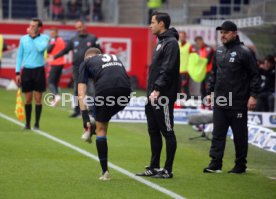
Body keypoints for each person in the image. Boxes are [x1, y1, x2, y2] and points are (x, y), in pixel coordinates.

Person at [204, 21, 261, 174]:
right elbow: (213, 74)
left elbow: (255, 75)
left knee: (239, 135)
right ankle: (215, 163)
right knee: (218, 134)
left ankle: (240, 165)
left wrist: (253, 96)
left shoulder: (245, 52)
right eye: (221, 32)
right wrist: (210, 93)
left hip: (238, 101)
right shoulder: (219, 51)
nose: (223, 35)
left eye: (226, 32)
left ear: (235, 33)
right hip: (220, 100)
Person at [136, 12, 180, 179]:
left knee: (167, 131)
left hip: (162, 95)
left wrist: (157, 90)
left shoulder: (171, 43)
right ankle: (154, 167)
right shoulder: (161, 42)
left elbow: (167, 69)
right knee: (153, 130)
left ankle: (168, 170)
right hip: (152, 94)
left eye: (153, 22)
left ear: (162, 24)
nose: (150, 25)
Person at [78, 47, 131, 181]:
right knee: (103, 118)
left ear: (87, 57)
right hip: (126, 92)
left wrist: (84, 118)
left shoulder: (86, 62)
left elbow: (81, 92)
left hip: (106, 91)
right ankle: (95, 121)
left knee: (101, 129)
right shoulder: (114, 58)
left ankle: (105, 172)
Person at [48, 20, 101, 117]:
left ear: (85, 26)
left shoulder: (93, 38)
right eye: (77, 27)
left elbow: (99, 51)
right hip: (77, 68)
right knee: (77, 89)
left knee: (91, 89)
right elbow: (65, 50)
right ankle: (77, 110)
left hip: (90, 67)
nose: (79, 29)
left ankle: (93, 111)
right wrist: (55, 57)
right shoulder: (73, 39)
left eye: (80, 26)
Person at [15, 18, 50, 130]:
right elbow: (19, 56)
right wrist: (17, 73)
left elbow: (40, 49)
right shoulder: (23, 39)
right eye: (30, 25)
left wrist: (33, 37)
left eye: (34, 26)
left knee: (38, 98)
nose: (31, 28)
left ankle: (36, 124)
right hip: (27, 71)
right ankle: (27, 124)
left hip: (39, 70)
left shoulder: (45, 38)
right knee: (28, 99)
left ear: (39, 27)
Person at [47, 28, 66, 106]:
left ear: (56, 33)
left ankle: (56, 95)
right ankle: (54, 100)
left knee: (50, 82)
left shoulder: (53, 40)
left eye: (52, 32)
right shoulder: (61, 40)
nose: (51, 34)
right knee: (55, 82)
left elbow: (49, 49)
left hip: (55, 63)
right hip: (61, 63)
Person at [194, 36, 214, 103]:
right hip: (203, 72)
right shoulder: (200, 50)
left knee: (207, 88)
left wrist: (198, 61)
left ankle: (209, 103)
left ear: (202, 40)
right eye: (197, 43)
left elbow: (207, 60)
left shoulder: (208, 48)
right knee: (202, 89)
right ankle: (204, 103)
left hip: (209, 72)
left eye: (199, 42)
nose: (198, 44)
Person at [179, 31, 196, 99]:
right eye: (180, 36)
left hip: (185, 71)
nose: (181, 38)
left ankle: (187, 102)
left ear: (185, 37)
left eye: (183, 36)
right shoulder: (177, 45)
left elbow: (194, 57)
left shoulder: (189, 46)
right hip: (177, 71)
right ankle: (179, 102)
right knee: (178, 88)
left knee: (185, 88)